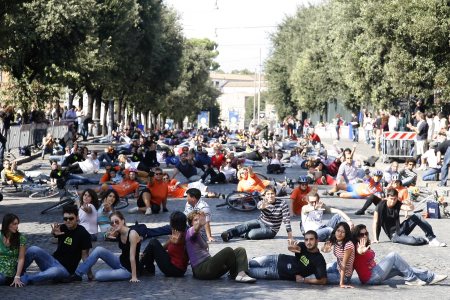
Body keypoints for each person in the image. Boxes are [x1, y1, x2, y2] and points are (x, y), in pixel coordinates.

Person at [352, 224, 447, 285]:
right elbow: (359, 252)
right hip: (370, 278)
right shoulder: (356, 247)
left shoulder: (365, 244)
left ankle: (431, 277)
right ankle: (412, 279)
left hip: (375, 272)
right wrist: (361, 251)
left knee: (402, 268)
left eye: (366, 233)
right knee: (393, 255)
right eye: (361, 234)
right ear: (356, 236)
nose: (364, 236)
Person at [21, 205, 92, 284]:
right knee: (33, 249)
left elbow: (85, 256)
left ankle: (26, 279)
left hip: (65, 271)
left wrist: (90, 274)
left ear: (77, 218)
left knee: (55, 271)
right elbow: (54, 236)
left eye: (71, 218)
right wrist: (53, 233)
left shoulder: (83, 233)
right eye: (65, 219)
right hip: (52, 261)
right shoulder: (62, 227)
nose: (68, 221)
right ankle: (16, 273)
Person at [185, 211, 256, 283]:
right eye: (195, 220)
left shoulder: (199, 233)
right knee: (228, 250)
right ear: (191, 223)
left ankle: (241, 274)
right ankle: (234, 273)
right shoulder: (189, 231)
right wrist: (199, 223)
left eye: (199, 219)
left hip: (209, 265)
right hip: (201, 270)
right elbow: (195, 230)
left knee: (240, 250)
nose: (198, 221)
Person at [71, 211, 141, 282]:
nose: (114, 224)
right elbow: (108, 236)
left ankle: (120, 273)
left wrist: (134, 276)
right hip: (120, 262)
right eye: (112, 223)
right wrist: (108, 235)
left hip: (128, 270)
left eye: (117, 222)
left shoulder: (132, 234)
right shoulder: (119, 232)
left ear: (123, 221)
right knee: (99, 249)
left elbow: (132, 257)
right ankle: (77, 274)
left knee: (99, 275)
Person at [372, 188, 446, 247]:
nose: (393, 201)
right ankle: (425, 240)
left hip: (400, 228)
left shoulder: (397, 203)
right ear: (387, 197)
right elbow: (375, 222)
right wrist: (375, 238)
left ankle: (431, 238)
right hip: (394, 235)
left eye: (395, 199)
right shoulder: (380, 206)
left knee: (417, 216)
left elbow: (409, 209)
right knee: (412, 241)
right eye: (391, 198)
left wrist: (410, 204)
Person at [247, 231, 327, 284]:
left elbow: (323, 280)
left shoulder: (319, 260)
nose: (308, 242)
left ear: (317, 241)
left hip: (275, 272)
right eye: (306, 239)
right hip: (275, 258)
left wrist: (303, 280)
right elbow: (293, 249)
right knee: (251, 262)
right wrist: (292, 246)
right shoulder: (303, 245)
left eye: (311, 239)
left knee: (248, 272)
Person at [221, 185, 293, 241]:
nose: (270, 196)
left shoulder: (282, 203)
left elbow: (286, 220)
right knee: (246, 224)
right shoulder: (262, 202)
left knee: (252, 234)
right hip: (260, 222)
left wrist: (290, 236)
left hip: (271, 229)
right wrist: (263, 206)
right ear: (265, 195)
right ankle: (228, 234)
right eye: (268, 194)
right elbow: (260, 206)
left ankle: (241, 233)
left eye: (272, 193)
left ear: (275, 194)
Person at [140, 211, 188, 277]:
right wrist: (147, 252)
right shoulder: (176, 233)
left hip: (175, 269)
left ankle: (140, 266)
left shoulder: (183, 235)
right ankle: (147, 266)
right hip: (174, 265)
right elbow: (163, 248)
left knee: (153, 242)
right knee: (153, 244)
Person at [322, 222, 355, 288]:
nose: (339, 234)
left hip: (344, 275)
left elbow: (344, 264)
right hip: (336, 266)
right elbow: (322, 249)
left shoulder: (348, 245)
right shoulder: (335, 239)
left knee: (319, 277)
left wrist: (341, 283)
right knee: (318, 271)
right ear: (335, 231)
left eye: (343, 232)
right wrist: (325, 249)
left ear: (346, 234)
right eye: (338, 231)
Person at [0, 214, 26, 287]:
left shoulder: (21, 237)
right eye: (14, 224)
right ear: (7, 224)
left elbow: (21, 258)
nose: (17, 226)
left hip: (9, 273)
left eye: (17, 224)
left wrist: (17, 276)